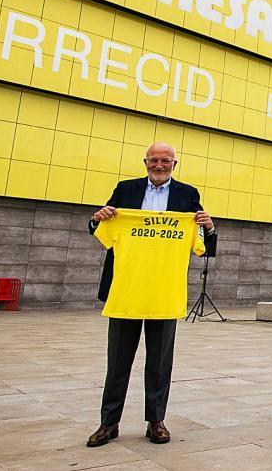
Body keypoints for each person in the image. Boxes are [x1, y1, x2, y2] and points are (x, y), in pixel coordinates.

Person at [85, 142, 217, 447]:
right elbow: (99, 228)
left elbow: (202, 244)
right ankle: (108, 423)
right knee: (117, 360)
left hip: (163, 291)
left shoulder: (187, 195)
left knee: (160, 362)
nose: (159, 165)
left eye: (165, 161)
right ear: (146, 162)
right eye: (154, 160)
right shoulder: (125, 189)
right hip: (126, 290)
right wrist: (98, 218)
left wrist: (208, 229)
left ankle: (156, 421)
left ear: (175, 164)